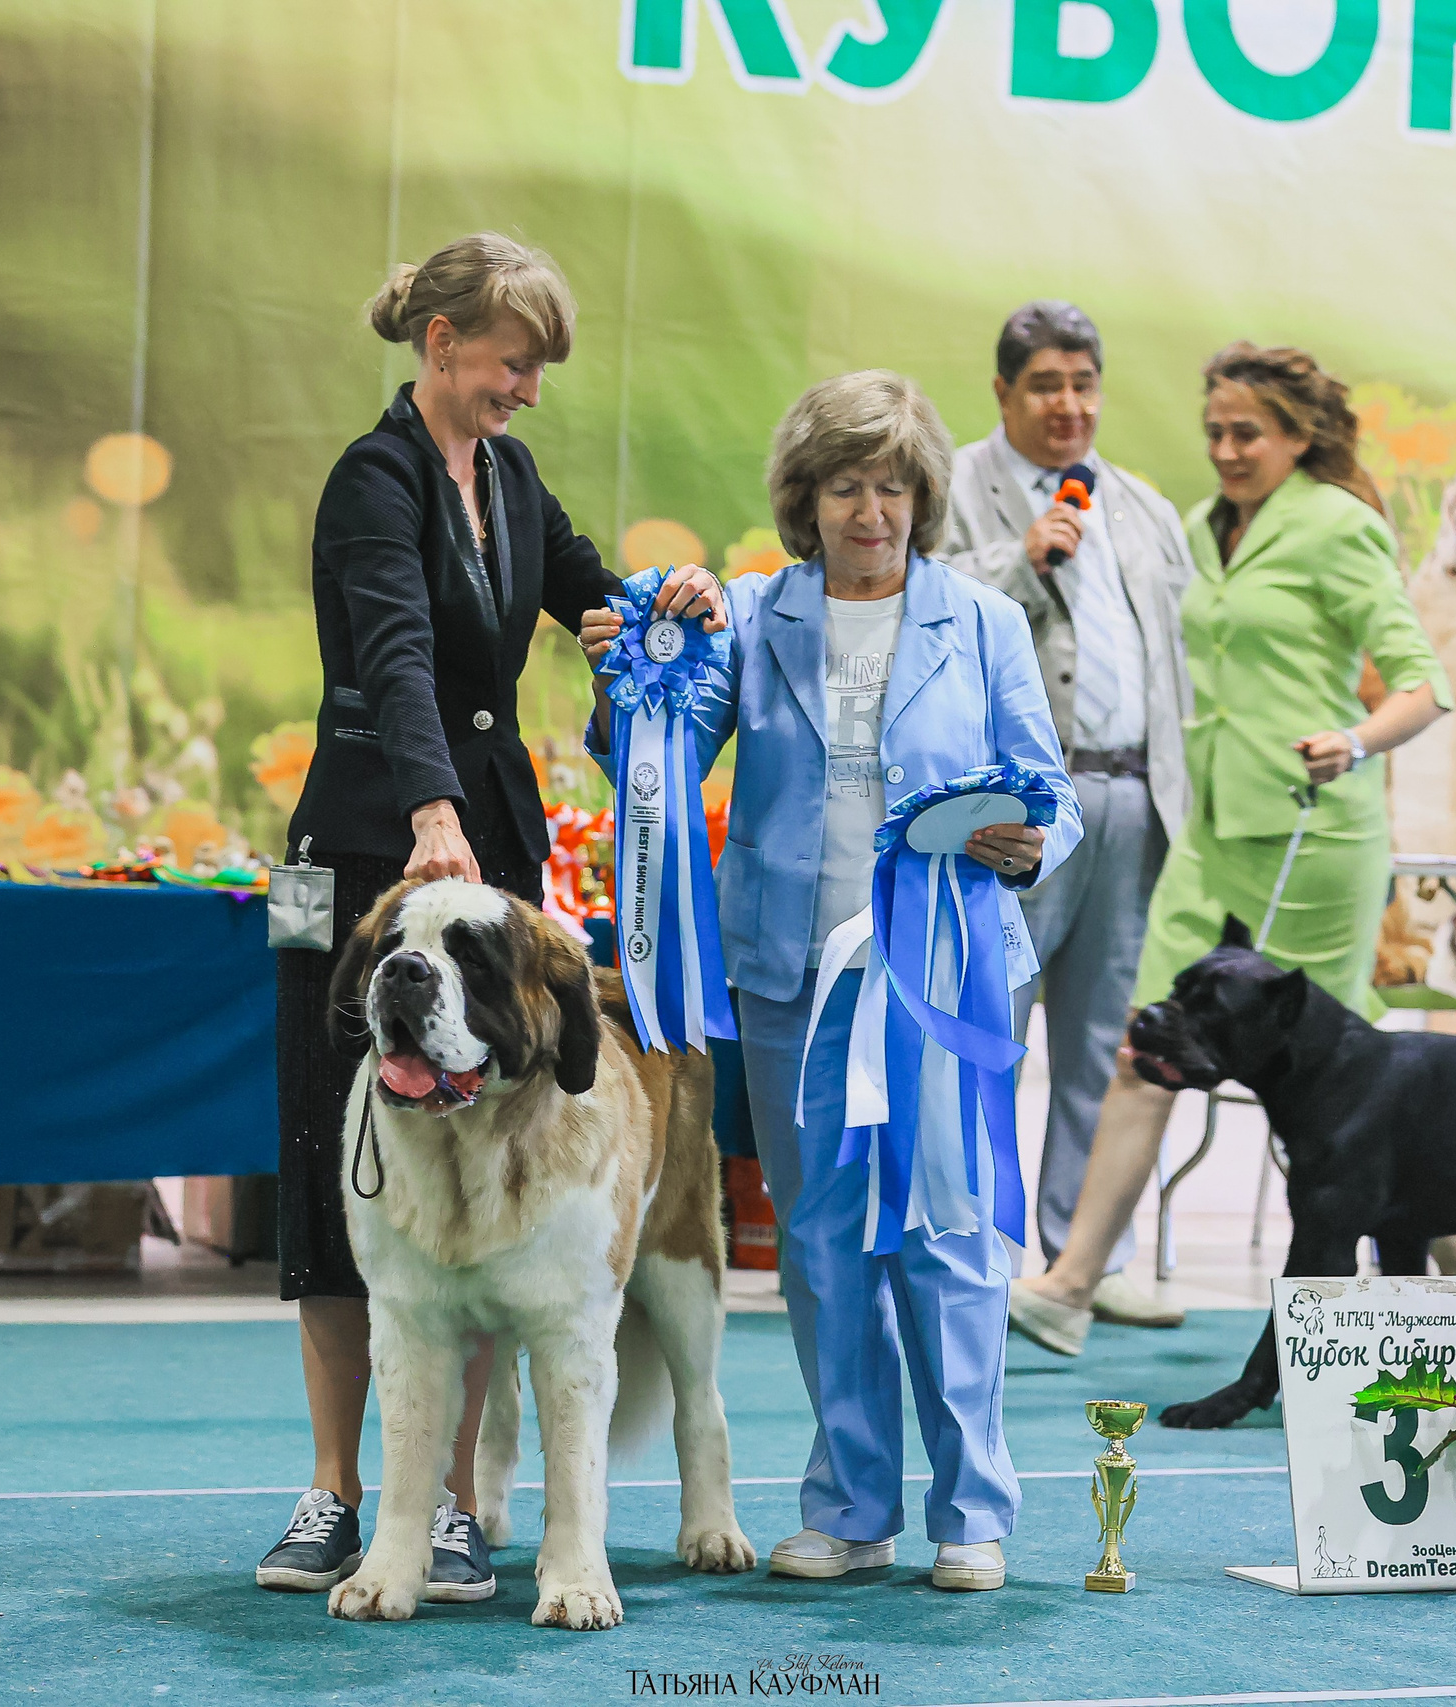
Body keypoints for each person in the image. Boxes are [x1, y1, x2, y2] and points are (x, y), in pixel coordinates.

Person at [262, 232, 723, 1597]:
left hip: (492, 855)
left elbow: (586, 591)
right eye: (514, 362)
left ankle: (459, 1505)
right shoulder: (375, 475)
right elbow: (395, 649)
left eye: (536, 372)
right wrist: (425, 809)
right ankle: (336, 1489)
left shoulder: (508, 475)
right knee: (348, 1180)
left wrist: (667, 604)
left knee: (487, 1174)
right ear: (444, 341)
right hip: (369, 856)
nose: (526, 389)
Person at [582, 371, 1079, 1592]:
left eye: (893, 485)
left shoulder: (984, 623)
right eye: (847, 486)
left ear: (922, 497)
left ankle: (973, 1515)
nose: (873, 511)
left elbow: (1046, 788)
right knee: (818, 1246)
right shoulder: (751, 617)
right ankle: (851, 1509)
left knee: (949, 1239)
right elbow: (660, 748)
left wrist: (1029, 839)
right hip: (790, 980)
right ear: (805, 502)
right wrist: (623, 676)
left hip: (944, 976)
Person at [1006, 341, 1449, 1361]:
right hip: (1211, 841)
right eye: (1214, 432)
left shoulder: (1340, 529)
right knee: (1145, 1052)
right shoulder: (1204, 531)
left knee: (1348, 1094)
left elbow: (1421, 682)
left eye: (1247, 433)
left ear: (1300, 437)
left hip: (1313, 837)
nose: (1226, 450)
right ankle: (1068, 1287)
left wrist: (1355, 739)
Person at [943, 301, 1193, 1331]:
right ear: (1004, 391)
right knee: (987, 1028)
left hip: (1133, 796)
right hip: (1017, 809)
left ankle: (1088, 1257)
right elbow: (920, 594)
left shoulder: (1140, 504)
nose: (1068, 404)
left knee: (1101, 1038)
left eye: (1083, 384)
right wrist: (1018, 557)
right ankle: (977, 1249)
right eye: (1045, 385)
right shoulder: (956, 485)